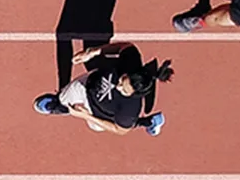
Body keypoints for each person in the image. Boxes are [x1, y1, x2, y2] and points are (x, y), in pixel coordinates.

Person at [34, 42, 169, 136]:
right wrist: (92, 52)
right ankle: (61, 106)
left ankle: (146, 122)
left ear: (134, 95)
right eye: (122, 80)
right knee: (63, 98)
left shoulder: (131, 108)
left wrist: (87, 116)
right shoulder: (131, 60)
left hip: (97, 113)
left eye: (124, 90)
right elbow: (124, 47)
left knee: (99, 127)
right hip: (87, 84)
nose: (118, 86)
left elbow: (120, 130)